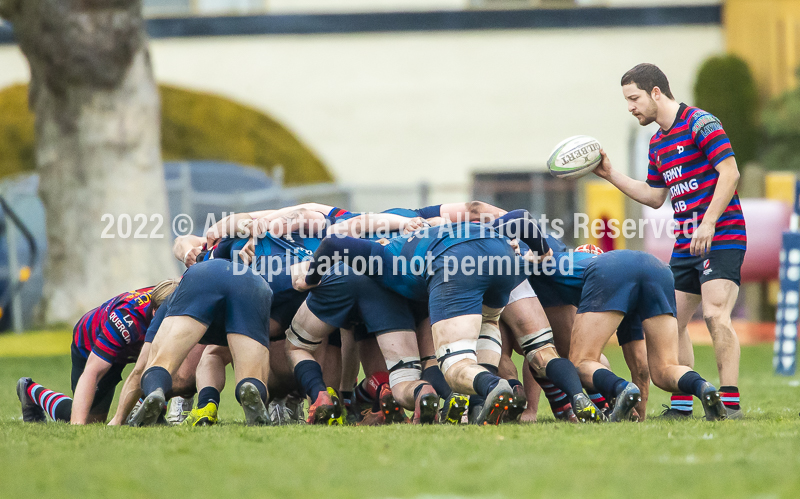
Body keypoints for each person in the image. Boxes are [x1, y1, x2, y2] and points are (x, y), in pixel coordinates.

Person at [296, 211, 552, 425]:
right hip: (500, 257)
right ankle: (479, 402)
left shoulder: (387, 254)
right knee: (487, 323)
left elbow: (333, 243)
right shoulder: (449, 229)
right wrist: (543, 253)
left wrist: (310, 279)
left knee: (453, 366)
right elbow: (521, 218)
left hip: (453, 264)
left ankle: (493, 386)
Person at [595, 63, 746, 419]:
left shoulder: (701, 123)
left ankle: (730, 404)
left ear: (656, 92)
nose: (630, 107)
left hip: (721, 233)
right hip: (686, 241)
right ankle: (682, 405)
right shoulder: (658, 142)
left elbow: (731, 172)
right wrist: (610, 174)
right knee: (669, 322)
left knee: (714, 314)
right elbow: (653, 195)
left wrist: (708, 223)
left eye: (634, 98)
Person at [528, 238, 728, 422]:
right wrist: (637, 418)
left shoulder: (552, 265)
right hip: (657, 268)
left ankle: (621, 388)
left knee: (580, 364)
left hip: (611, 274)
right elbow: (640, 369)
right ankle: (703, 387)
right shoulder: (607, 270)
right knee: (664, 369)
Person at [128, 259, 273, 427]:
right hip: (253, 284)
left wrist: (117, 418)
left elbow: (140, 367)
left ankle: (155, 391)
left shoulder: (171, 300)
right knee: (253, 373)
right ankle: (251, 386)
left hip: (202, 276)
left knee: (160, 360)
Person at [16, 280, 178, 424]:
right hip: (91, 343)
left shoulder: (177, 296)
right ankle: (31, 391)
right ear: (156, 312)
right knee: (89, 420)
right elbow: (92, 371)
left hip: (132, 345)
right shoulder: (127, 319)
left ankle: (155, 413)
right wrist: (78, 429)